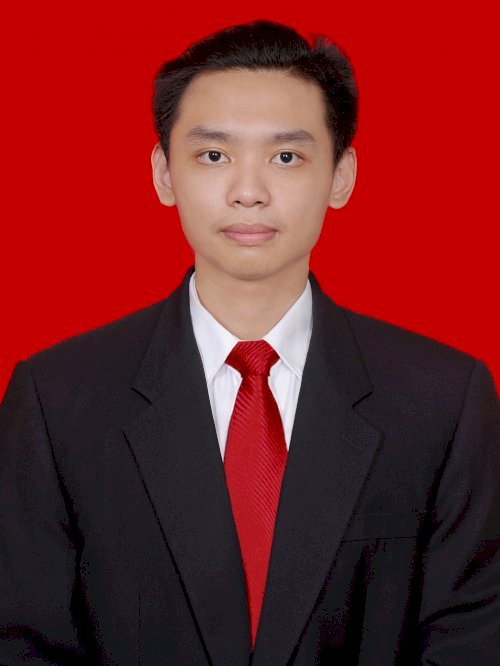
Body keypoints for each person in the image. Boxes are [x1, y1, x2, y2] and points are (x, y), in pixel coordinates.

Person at [0, 19, 499, 666]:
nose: (248, 192)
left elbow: (473, 637)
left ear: (342, 175)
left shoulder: (444, 400)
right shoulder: (56, 398)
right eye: (214, 155)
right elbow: (22, 640)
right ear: (164, 173)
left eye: (286, 157)